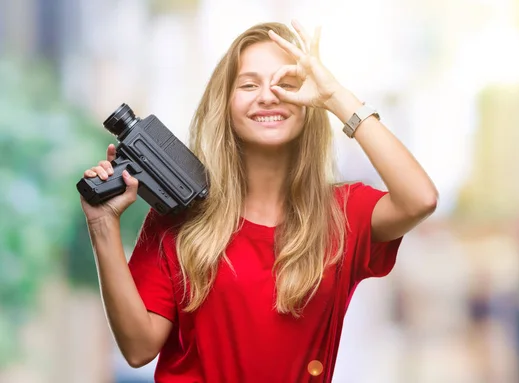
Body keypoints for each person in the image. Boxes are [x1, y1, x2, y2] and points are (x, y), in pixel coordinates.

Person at [80, 20, 438, 383]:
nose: (268, 96)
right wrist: (102, 225)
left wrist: (335, 97)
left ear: (308, 101)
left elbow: (420, 199)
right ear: (227, 106)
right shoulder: (180, 217)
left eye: (286, 84)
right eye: (249, 84)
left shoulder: (343, 215)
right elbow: (138, 348)